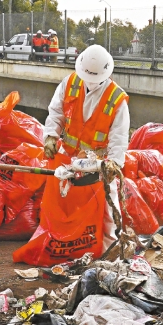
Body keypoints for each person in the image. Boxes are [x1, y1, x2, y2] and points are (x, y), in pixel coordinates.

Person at [42, 44, 130, 251]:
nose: (89, 81)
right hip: (68, 157)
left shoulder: (116, 99)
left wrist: (114, 164)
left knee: (109, 208)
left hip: (99, 164)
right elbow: (56, 112)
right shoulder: (70, 83)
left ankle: (111, 250)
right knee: (62, 203)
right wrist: (50, 136)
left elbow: (119, 136)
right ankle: (64, 244)